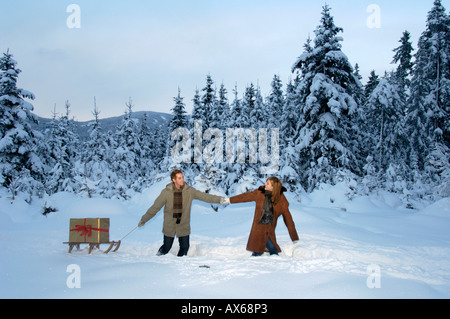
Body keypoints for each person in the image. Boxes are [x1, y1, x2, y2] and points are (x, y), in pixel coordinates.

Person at [138, 169, 228, 257]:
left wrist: (219, 199)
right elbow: (155, 207)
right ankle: (157, 258)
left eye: (182, 177)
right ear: (174, 180)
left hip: (183, 224)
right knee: (166, 247)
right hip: (170, 225)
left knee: (184, 248)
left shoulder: (189, 191)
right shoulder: (166, 192)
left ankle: (179, 265)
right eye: (179, 178)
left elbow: (204, 196)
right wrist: (144, 219)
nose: (182, 180)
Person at [228, 177, 299, 256]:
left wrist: (294, 236)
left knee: (266, 249)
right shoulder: (260, 193)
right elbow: (245, 197)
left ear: (273, 187)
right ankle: (267, 261)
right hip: (258, 227)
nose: (265, 184)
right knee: (264, 248)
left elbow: (288, 219)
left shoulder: (281, 200)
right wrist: (229, 200)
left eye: (267, 183)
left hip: (269, 229)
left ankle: (265, 262)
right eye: (266, 182)